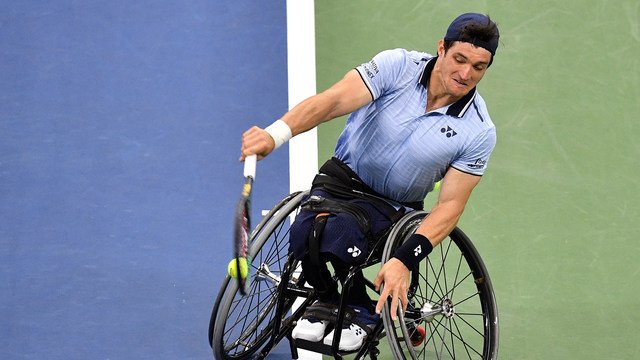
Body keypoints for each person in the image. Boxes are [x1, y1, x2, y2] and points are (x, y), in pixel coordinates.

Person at [240, 13, 500, 351]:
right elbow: (333, 101)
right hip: (340, 181)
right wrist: (275, 135)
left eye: (479, 67)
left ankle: (360, 311)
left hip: (394, 209)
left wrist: (405, 260)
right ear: (442, 48)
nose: (465, 74)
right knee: (306, 232)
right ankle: (328, 301)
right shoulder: (397, 66)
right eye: (459, 59)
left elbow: (450, 207)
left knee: (338, 235)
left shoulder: (478, 131)